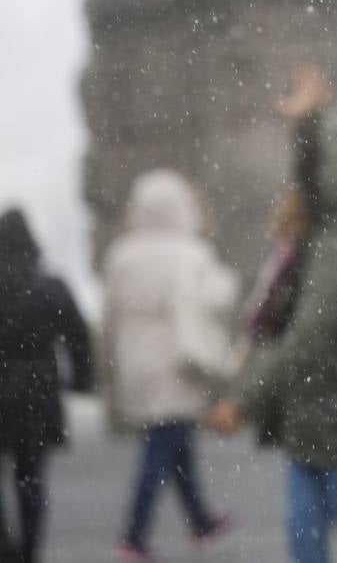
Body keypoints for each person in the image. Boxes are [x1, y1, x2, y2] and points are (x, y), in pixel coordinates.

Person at [206, 68, 337, 563]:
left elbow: (307, 334)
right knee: (304, 536)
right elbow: (316, 185)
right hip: (313, 416)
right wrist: (308, 126)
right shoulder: (323, 229)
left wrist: (242, 400)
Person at [103, 169, 238, 561]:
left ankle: (200, 519)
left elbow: (109, 314)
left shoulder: (122, 253)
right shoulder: (189, 251)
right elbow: (215, 298)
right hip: (176, 361)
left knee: (174, 439)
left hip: (136, 361)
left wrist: (110, 366)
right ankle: (134, 536)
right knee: (163, 444)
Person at [0, 208, 94, 563]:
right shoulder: (50, 288)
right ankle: (30, 549)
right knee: (31, 477)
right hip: (37, 391)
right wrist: (82, 380)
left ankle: (5, 545)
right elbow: (78, 336)